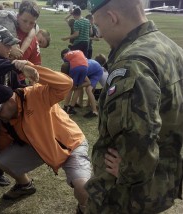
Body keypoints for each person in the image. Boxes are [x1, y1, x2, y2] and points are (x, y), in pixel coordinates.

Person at [86, 0, 183, 213]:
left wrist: (130, 169)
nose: (99, 34)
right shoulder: (170, 47)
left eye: (98, 26)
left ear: (112, 17)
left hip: (125, 194)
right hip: (163, 178)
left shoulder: (133, 63)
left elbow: (137, 133)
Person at [0, 62, 91, 214]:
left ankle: (84, 208)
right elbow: (1, 146)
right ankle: (25, 185)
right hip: (40, 148)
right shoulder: (6, 121)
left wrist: (30, 67)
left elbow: (66, 83)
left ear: (11, 101)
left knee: (82, 188)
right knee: (2, 160)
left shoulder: (35, 94)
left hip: (70, 145)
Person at [0, 24, 38, 186]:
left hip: (3, 116)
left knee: (2, 145)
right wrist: (16, 64)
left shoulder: (7, 62)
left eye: (11, 44)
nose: (10, 48)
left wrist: (31, 90)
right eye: (6, 44)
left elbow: (15, 87)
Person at [60, 48, 89, 115]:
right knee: (78, 88)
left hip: (75, 68)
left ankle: (65, 107)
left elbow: (65, 64)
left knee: (71, 88)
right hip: (85, 68)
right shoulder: (79, 51)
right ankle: (71, 108)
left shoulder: (67, 55)